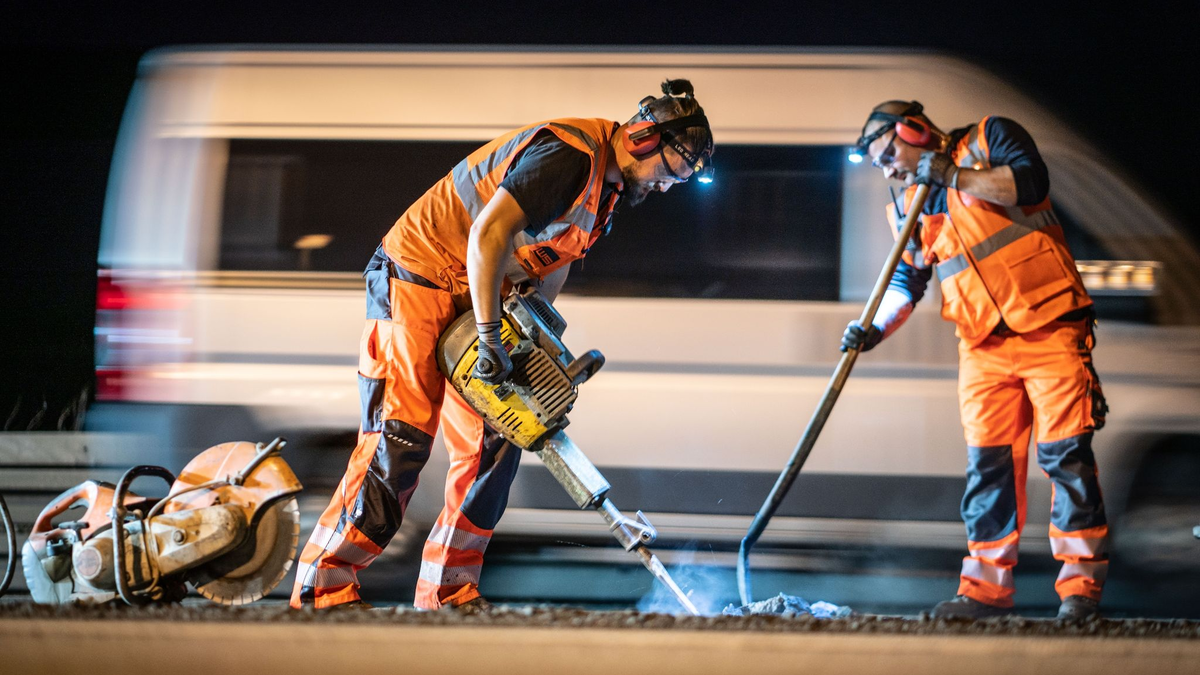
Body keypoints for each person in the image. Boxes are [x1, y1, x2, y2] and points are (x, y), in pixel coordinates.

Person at [290, 80, 714, 611]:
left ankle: (448, 592)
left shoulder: (606, 196)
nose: (668, 187)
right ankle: (321, 587)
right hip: (421, 275)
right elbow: (488, 235)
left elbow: (545, 271)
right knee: (399, 440)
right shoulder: (568, 155)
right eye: (674, 172)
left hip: (481, 294)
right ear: (645, 138)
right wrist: (491, 336)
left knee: (497, 441)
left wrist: (534, 344)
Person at [845, 101, 1109, 621]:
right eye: (880, 165)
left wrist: (953, 175)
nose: (889, 169)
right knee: (989, 471)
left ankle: (1080, 592)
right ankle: (985, 592)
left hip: (1050, 325)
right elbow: (907, 282)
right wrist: (875, 327)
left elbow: (1030, 185)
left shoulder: (989, 140)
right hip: (982, 347)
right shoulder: (909, 206)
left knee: (1066, 460)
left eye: (889, 154)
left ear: (914, 130)